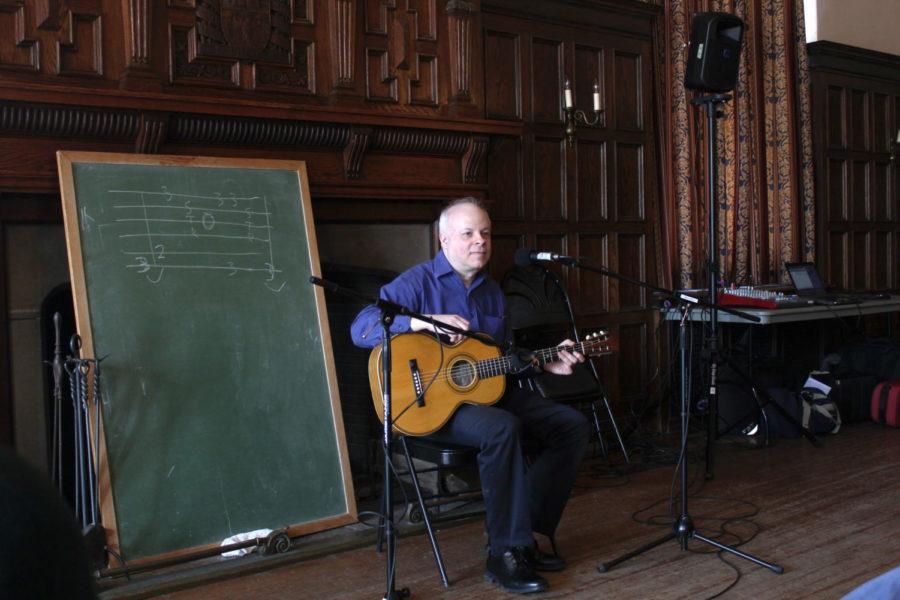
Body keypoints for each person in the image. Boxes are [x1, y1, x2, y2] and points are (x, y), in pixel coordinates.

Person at [351, 197, 590, 594]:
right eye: (468, 233)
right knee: (502, 428)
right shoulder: (417, 282)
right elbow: (361, 328)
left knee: (571, 425)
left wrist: (543, 363)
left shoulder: (492, 291)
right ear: (444, 240)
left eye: (485, 233)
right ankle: (504, 553)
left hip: (484, 394)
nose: (479, 241)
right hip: (429, 407)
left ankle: (526, 533)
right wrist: (424, 324)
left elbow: (497, 358)